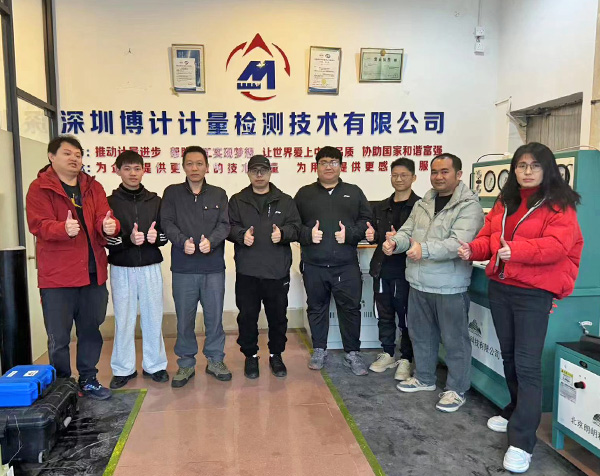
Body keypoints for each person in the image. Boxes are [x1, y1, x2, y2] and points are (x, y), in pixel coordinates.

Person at [458, 143, 583, 473]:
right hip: (502, 288)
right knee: (510, 357)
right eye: (521, 165)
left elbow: (558, 246)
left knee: (527, 365)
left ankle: (522, 442)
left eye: (535, 165)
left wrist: (518, 250)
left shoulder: (559, 204)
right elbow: (489, 238)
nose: (527, 171)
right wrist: (471, 249)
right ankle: (515, 409)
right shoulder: (506, 201)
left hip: (533, 293)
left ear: (547, 168)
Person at [383, 153, 484, 412]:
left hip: (450, 286)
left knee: (454, 341)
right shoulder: (424, 202)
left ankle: (456, 389)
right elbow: (407, 231)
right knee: (421, 336)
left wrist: (423, 250)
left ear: (458, 175)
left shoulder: (468, 206)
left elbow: (458, 242)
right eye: (435, 171)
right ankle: (425, 378)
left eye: (444, 171)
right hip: (418, 282)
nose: (438, 177)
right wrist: (395, 243)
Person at [26, 135, 120, 400]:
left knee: (91, 330)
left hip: (92, 273)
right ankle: (62, 385)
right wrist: (61, 228)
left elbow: (104, 216)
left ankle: (88, 379)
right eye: (67, 153)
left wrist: (109, 226)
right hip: (58, 277)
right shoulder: (40, 188)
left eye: (78, 155)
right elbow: (38, 224)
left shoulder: (93, 186)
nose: (74, 159)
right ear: (51, 157)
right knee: (59, 336)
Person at [294, 146, 373, 376]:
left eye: (333, 162)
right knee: (316, 308)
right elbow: (292, 224)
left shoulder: (354, 192)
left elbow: (367, 221)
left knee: (351, 309)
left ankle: (353, 353)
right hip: (314, 265)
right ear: (316, 166)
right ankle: (319, 350)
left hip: (346, 265)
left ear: (341, 166)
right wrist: (308, 235)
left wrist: (350, 234)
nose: (328, 166)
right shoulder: (304, 194)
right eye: (324, 162)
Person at [160, 146, 231, 387]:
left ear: (207, 167)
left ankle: (215, 360)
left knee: (214, 317)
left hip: (213, 268)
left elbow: (225, 224)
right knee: (184, 319)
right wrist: (182, 242)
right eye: (189, 163)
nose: (194, 168)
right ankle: (186, 363)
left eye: (199, 163)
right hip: (184, 268)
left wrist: (212, 241)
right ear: (183, 167)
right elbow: (167, 222)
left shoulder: (219, 194)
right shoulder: (172, 193)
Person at [228, 155, 301, 379]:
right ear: (248, 173)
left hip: (276, 271)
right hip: (247, 271)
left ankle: (276, 355)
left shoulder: (285, 201)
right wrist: (240, 235)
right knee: (247, 317)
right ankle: (250, 356)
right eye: (254, 171)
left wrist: (284, 234)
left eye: (263, 170)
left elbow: (297, 227)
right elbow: (228, 227)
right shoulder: (238, 200)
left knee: (277, 317)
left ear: (270, 172)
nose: (259, 175)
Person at [106, 150, 169, 389]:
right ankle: (123, 368)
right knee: (124, 318)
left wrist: (156, 238)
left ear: (144, 170)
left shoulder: (155, 200)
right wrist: (128, 240)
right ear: (117, 171)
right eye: (127, 169)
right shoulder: (109, 202)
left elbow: (165, 234)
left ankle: (155, 365)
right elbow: (106, 238)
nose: (133, 173)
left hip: (150, 265)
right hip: (122, 267)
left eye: (137, 168)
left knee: (153, 316)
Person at [366, 158, 420, 381]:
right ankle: (388, 353)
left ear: (413, 177)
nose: (398, 179)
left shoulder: (420, 206)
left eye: (404, 175)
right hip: (382, 269)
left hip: (406, 271)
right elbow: (376, 235)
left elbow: (423, 237)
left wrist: (401, 239)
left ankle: (406, 358)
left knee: (405, 318)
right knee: (384, 315)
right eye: (395, 175)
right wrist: (372, 236)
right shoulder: (380, 206)